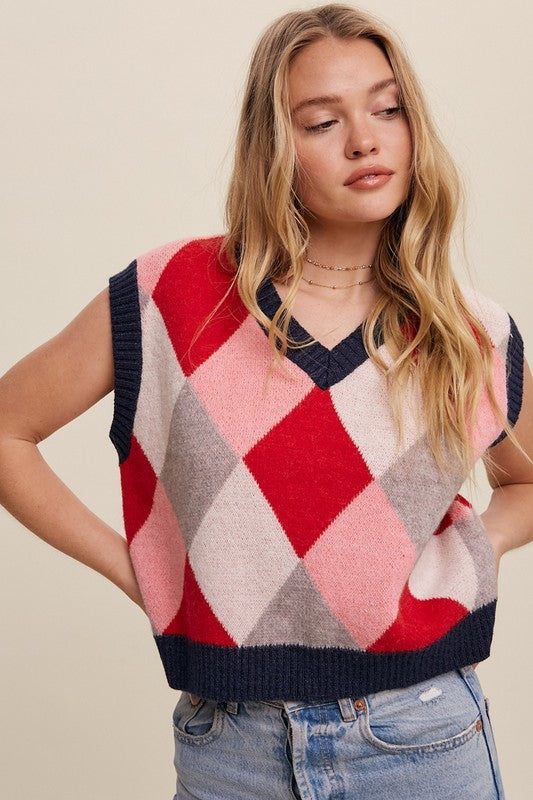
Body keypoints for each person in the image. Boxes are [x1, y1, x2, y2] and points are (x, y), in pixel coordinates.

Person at [0, 3, 531, 798]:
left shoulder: (468, 329)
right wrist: (137, 569)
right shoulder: (170, 294)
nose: (364, 140)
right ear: (273, 147)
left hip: (421, 732)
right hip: (229, 748)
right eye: (322, 121)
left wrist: (474, 548)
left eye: (387, 110)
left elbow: (525, 481)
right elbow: (8, 429)